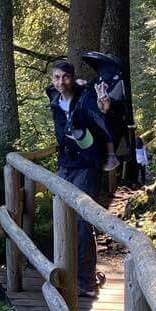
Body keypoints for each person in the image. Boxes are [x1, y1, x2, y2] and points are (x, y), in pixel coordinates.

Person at [47, 58, 118, 298]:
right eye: (56, 77)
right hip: (66, 164)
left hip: (87, 165)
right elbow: (54, 91)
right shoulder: (54, 98)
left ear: (72, 77)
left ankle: (86, 281)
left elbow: (102, 113)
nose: (60, 82)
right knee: (63, 216)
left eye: (65, 77)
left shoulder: (87, 97)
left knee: (80, 219)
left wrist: (104, 106)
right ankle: (70, 273)